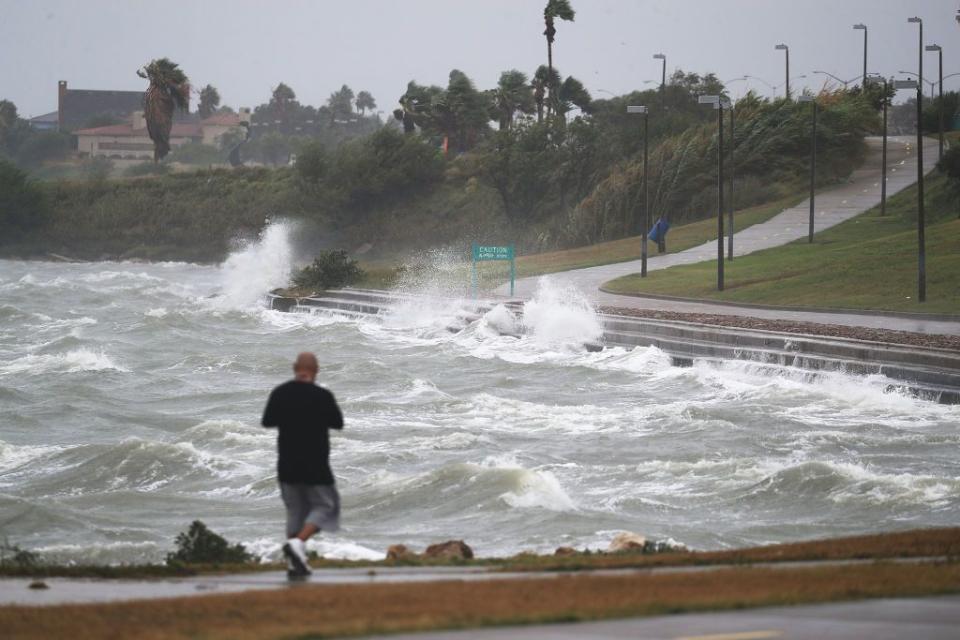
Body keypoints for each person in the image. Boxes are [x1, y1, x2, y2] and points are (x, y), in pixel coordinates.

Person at [262, 352, 344, 579]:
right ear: (316, 370)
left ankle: (294, 565)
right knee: (327, 507)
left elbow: (268, 421)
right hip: (316, 464)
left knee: (295, 513)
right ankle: (298, 543)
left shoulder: (280, 393)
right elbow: (338, 423)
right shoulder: (322, 396)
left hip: (287, 463)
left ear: (294, 368)